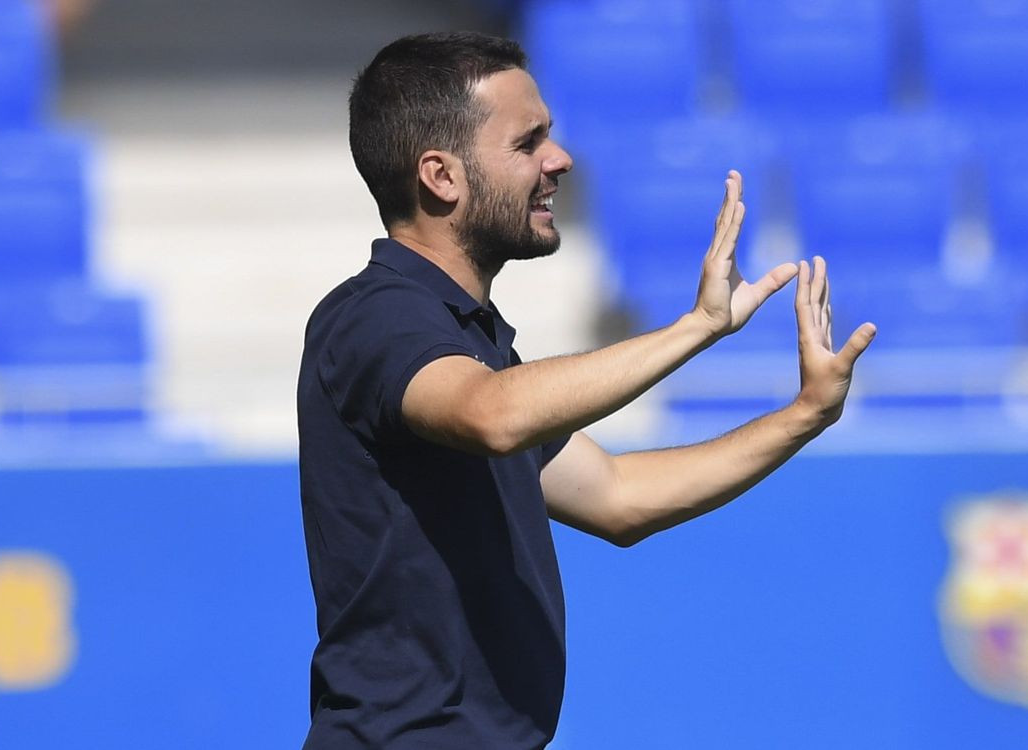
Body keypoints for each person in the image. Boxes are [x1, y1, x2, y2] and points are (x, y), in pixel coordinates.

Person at [296, 31, 876, 750]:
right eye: (528, 141)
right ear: (441, 177)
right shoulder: (376, 319)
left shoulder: (474, 346)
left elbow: (619, 496)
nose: (559, 159)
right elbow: (493, 415)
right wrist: (696, 328)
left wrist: (805, 415)